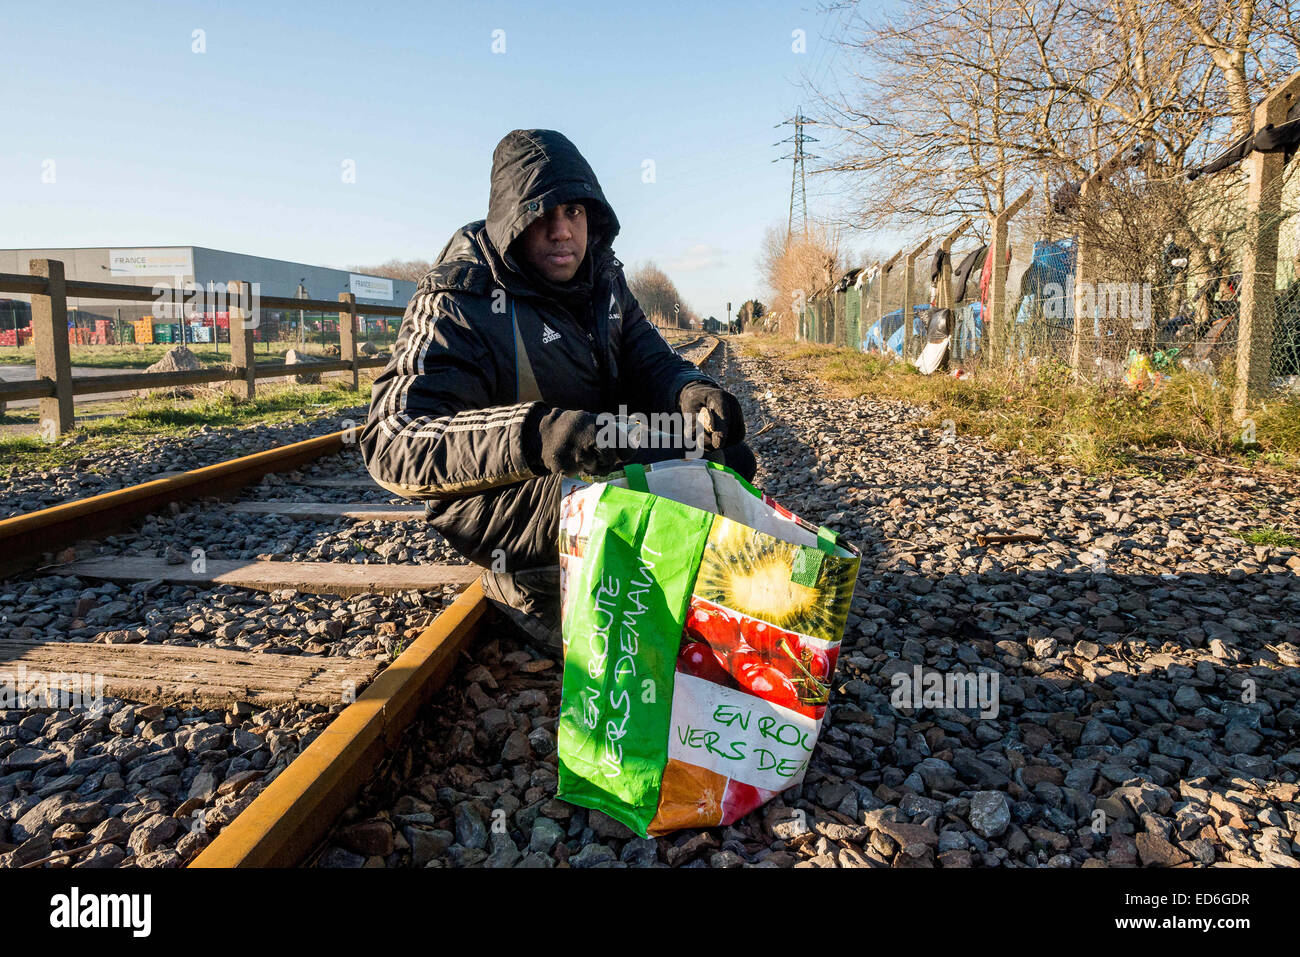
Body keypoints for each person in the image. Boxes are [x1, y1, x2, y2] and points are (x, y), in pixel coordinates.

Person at [361, 129, 754, 655]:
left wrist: (690, 390)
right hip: (502, 496)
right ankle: (527, 583)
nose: (562, 231)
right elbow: (392, 439)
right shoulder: (460, 298)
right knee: (629, 500)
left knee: (726, 457)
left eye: (574, 211)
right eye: (541, 215)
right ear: (510, 222)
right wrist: (537, 433)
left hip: (592, 457)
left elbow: (651, 360)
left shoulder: (605, 280)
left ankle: (662, 590)